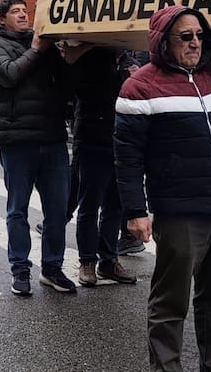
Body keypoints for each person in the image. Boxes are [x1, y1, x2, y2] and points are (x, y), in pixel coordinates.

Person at [114, 6, 211, 372]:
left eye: (199, 34)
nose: (195, 43)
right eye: (185, 36)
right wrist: (135, 211)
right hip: (181, 213)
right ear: (162, 41)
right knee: (171, 301)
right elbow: (127, 157)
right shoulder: (140, 87)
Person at [0, 0, 74, 296]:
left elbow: (67, 82)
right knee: (17, 210)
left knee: (58, 209)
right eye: (15, 12)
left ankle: (52, 268)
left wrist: (68, 51)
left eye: (25, 10)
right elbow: (9, 75)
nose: (23, 15)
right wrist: (36, 49)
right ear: (1, 19)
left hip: (53, 137)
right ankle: (20, 269)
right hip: (18, 140)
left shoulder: (45, 47)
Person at [61, 43, 137, 288]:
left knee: (115, 206)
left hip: (122, 140)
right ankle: (86, 261)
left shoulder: (127, 57)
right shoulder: (91, 57)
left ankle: (108, 260)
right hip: (93, 139)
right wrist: (124, 80)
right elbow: (81, 92)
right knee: (90, 205)